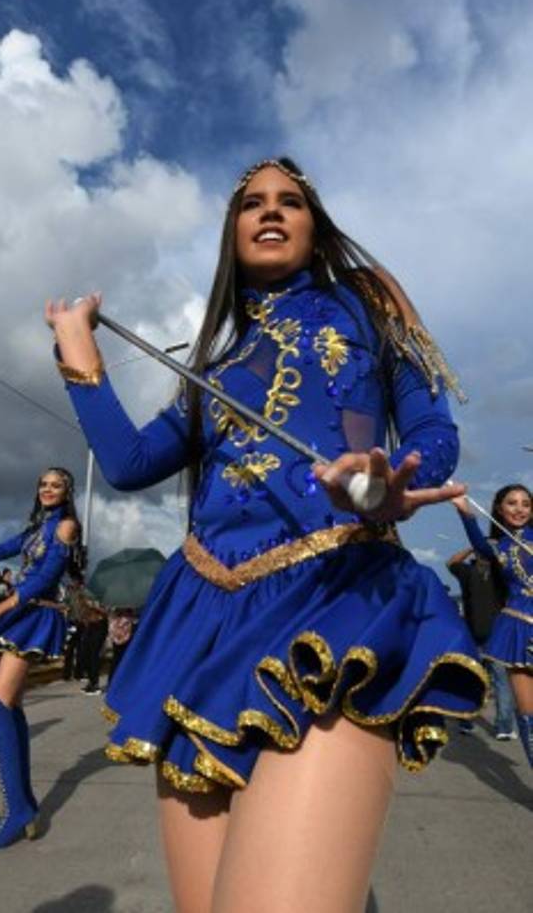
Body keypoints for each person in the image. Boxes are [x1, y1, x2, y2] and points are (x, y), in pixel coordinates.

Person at [46, 157, 487, 912]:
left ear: (316, 228)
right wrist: (79, 357)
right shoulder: (211, 371)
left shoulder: (366, 305)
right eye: (251, 202)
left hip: (332, 597)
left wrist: (391, 482)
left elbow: (428, 425)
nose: (270, 211)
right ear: (232, 231)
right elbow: (127, 464)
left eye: (290, 201)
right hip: (200, 621)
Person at [0, 468, 82, 849]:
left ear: (66, 492)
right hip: (23, 614)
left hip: (36, 615)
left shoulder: (66, 527)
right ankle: (23, 805)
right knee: (8, 708)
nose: (47, 489)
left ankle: (18, 811)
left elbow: (44, 579)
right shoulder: (34, 530)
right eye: (42, 484)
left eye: (55, 485)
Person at [452, 485, 533, 766]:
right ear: (499, 509)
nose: (519, 509)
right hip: (518, 630)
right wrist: (465, 513)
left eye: (525, 503)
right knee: (528, 716)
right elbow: (479, 544)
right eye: (512, 503)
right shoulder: (498, 548)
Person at [447, 547, 517, 739]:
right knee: (502, 682)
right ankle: (503, 727)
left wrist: (470, 548)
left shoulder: (467, 573)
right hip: (498, 635)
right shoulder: (501, 576)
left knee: (471, 679)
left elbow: (451, 562)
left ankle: (466, 721)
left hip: (473, 633)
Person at [107, 607, 136, 684]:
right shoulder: (127, 621)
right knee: (124, 661)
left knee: (115, 661)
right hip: (125, 643)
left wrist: (115, 639)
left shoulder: (113, 620)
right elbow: (129, 632)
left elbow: (111, 631)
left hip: (116, 642)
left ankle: (111, 682)